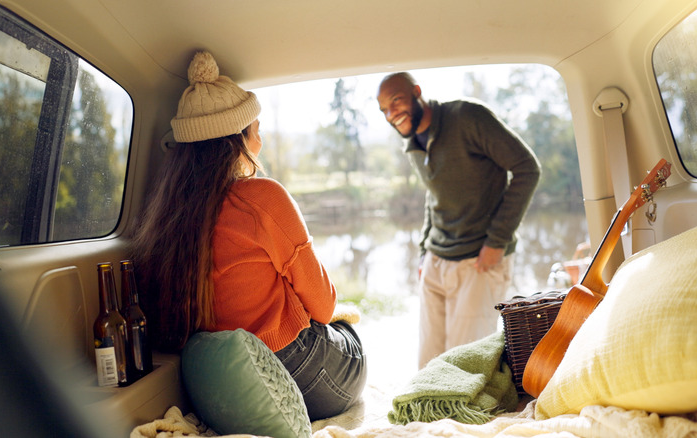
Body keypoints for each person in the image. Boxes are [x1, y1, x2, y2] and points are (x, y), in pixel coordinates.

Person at [131, 51, 366, 421]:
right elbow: (323, 306)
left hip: (225, 374)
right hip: (292, 364)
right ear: (235, 141)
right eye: (256, 129)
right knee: (352, 337)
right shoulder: (262, 197)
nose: (260, 139)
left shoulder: (166, 215)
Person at [377, 72, 541, 368]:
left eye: (396, 101)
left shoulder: (468, 117)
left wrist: (497, 241)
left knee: (466, 368)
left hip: (479, 262)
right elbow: (435, 194)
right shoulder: (412, 141)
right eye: (384, 110)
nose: (391, 114)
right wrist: (424, 252)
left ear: (417, 92)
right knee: (429, 365)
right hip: (435, 262)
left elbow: (527, 168)